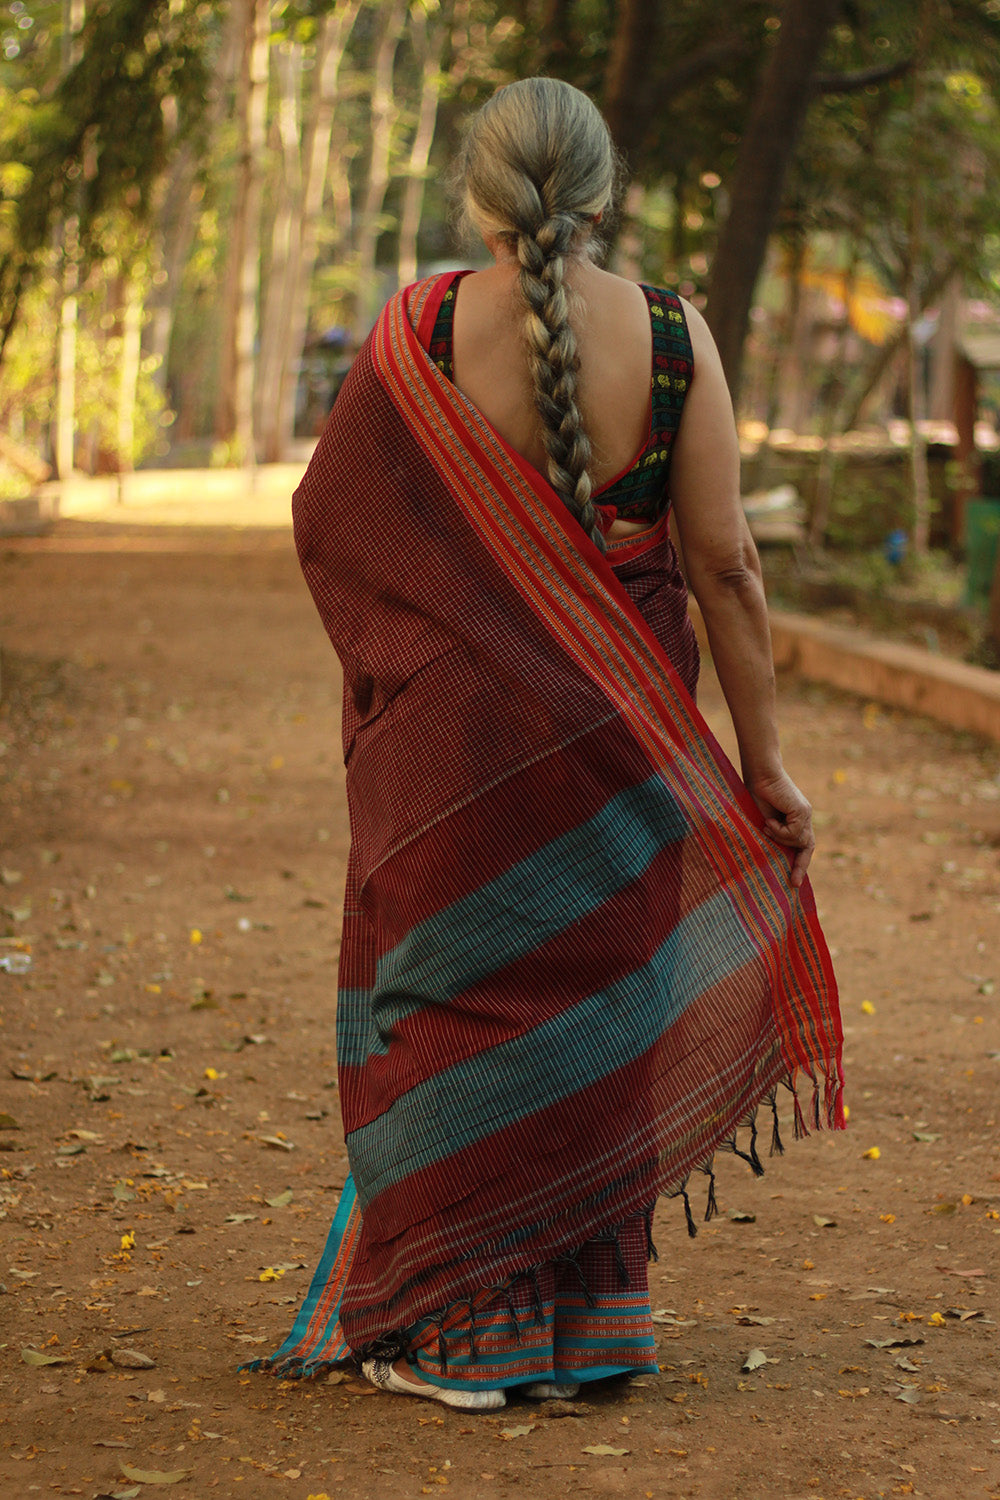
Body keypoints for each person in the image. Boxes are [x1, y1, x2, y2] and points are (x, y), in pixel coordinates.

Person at [247, 77, 843, 1412]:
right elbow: (727, 566)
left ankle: (472, 1342)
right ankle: (591, 1334)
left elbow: (333, 516)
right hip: (626, 745)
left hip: (458, 745)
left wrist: (413, 657)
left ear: (480, 189)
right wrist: (763, 764)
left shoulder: (421, 333)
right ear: (602, 190)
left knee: (456, 1001)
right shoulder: (678, 341)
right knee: (605, 1004)